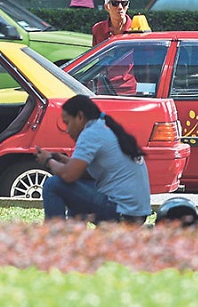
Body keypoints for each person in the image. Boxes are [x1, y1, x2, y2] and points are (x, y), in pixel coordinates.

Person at [34, 95, 151, 224]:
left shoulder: (91, 133)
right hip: (136, 212)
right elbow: (88, 174)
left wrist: (48, 160)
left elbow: (69, 175)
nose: (67, 130)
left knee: (53, 184)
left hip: (122, 211)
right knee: (74, 191)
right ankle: (76, 238)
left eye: (67, 123)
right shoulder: (104, 128)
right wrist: (65, 160)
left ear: (80, 117)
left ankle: (55, 237)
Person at [91, 0, 136, 95]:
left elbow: (149, 61)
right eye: (115, 3)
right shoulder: (98, 29)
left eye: (124, 3)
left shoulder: (136, 29)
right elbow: (96, 58)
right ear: (107, 7)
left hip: (129, 89)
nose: (120, 7)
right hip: (104, 87)